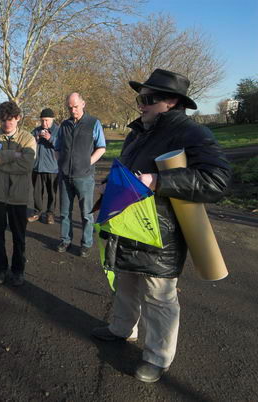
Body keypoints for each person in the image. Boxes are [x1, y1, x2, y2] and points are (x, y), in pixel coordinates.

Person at [91, 69, 231, 383]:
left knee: (158, 297)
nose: (140, 104)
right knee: (125, 283)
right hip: (128, 226)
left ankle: (157, 357)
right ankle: (122, 329)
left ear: (171, 102)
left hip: (161, 233)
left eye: (148, 98)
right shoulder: (140, 131)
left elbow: (218, 180)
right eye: (140, 97)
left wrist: (159, 180)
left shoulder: (191, 133)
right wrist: (108, 184)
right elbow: (127, 171)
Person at [0, 101, 36, 287]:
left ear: (18, 118)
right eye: (3, 120)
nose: (7, 124)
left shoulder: (28, 138)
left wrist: (0, 160)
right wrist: (13, 155)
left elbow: (27, 165)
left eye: (11, 119)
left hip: (18, 196)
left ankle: (18, 271)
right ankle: (0, 268)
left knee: (18, 237)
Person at [56, 93, 106, 257]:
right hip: (65, 176)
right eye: (70, 107)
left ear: (83, 104)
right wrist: (61, 164)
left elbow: (101, 147)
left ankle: (86, 243)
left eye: (76, 107)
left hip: (84, 177)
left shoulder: (93, 123)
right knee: (64, 213)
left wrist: (88, 162)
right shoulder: (64, 125)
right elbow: (57, 148)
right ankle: (65, 240)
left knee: (86, 214)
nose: (73, 110)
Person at [28, 108, 60, 224]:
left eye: (46, 120)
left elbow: (63, 146)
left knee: (52, 192)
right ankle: (37, 212)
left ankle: (50, 214)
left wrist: (50, 138)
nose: (44, 123)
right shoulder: (36, 131)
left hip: (53, 168)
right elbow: (28, 145)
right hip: (37, 167)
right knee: (37, 192)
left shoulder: (58, 130)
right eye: (42, 120)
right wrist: (35, 140)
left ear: (52, 119)